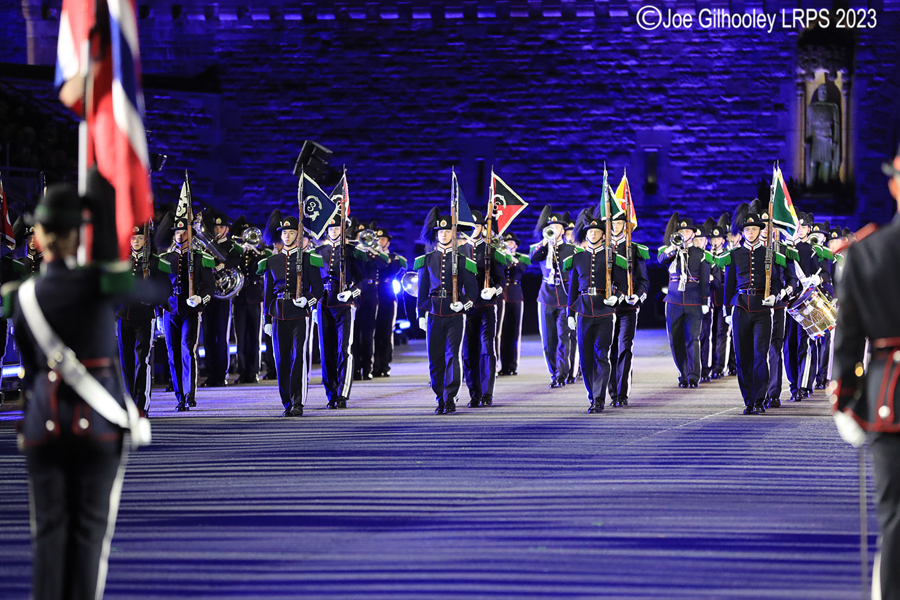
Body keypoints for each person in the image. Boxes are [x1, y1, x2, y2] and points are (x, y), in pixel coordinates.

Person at [3, 182, 153, 600]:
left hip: (43, 425)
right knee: (88, 535)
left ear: (39, 236)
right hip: (96, 427)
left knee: (48, 533)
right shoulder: (102, 286)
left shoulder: (19, 296)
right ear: (79, 235)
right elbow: (151, 292)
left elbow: (33, 372)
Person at [831, 149, 900, 600]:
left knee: (896, 516)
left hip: (890, 401)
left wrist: (847, 402)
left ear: (894, 186)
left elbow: (848, 340)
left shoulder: (868, 252)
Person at [722, 210, 787, 414]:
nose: (751, 232)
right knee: (743, 357)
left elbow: (776, 280)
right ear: (743, 232)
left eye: (754, 229)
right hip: (741, 306)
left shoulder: (769, 253)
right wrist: (726, 311)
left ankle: (760, 399)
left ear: (760, 230)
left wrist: (774, 295)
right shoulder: (734, 254)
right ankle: (748, 400)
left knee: (761, 355)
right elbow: (729, 285)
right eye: (747, 229)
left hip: (762, 308)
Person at [259, 215, 323, 416]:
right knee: (281, 360)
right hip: (278, 313)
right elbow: (268, 293)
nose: (287, 236)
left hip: (299, 313)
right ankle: (286, 400)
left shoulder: (307, 259)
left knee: (299, 359)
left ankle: (298, 401)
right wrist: (267, 319)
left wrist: (308, 300)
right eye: (284, 233)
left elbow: (318, 289)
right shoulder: (272, 261)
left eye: (291, 233)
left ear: (298, 235)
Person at [414, 208, 477, 414]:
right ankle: (439, 395)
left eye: (448, 231)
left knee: (452, 356)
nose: (443, 234)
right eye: (440, 232)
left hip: (454, 312)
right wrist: (420, 313)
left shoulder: (461, 259)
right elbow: (422, 289)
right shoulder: (427, 259)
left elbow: (473, 290)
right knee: (435, 357)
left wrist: (465, 304)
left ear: (453, 233)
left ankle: (450, 397)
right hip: (433, 311)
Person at [158, 216, 216, 411]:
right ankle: (179, 395)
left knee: (187, 350)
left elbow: (209, 287)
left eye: (184, 232)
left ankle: (190, 393)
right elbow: (159, 288)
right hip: (169, 309)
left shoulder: (201, 258)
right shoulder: (165, 259)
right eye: (177, 232)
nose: (180, 235)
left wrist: (201, 298)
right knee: (172, 353)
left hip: (190, 310)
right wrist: (159, 312)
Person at [564, 210, 618, 414]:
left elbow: (621, 283)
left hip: (604, 310)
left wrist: (618, 296)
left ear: (603, 235)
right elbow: (572, 289)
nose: (593, 234)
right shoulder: (577, 258)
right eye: (590, 231)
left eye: (597, 231)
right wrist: (570, 313)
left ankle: (599, 398)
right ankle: (591, 393)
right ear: (585, 235)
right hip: (584, 310)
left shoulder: (611, 256)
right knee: (585, 360)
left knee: (601, 356)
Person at [316, 212, 369, 409]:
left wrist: (352, 293)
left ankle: (342, 393)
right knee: (326, 350)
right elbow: (313, 280)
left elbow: (363, 280)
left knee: (344, 349)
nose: (334, 231)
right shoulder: (318, 251)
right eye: (331, 229)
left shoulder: (352, 251)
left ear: (343, 229)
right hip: (323, 303)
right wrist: (313, 303)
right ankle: (330, 392)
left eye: (337, 228)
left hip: (344, 303)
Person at [116, 225, 168, 417]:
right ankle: (128, 403)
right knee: (125, 362)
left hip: (145, 317)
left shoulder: (154, 262)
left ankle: (141, 404)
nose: (135, 242)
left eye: (139, 239)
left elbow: (166, 290)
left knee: (142, 361)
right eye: (132, 239)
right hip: (124, 316)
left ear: (145, 240)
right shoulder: (122, 261)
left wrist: (152, 300)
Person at [659, 215, 711, 388]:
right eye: (681, 231)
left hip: (693, 300)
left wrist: (705, 301)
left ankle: (694, 375)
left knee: (693, 339)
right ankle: (683, 373)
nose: (684, 233)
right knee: (676, 339)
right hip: (673, 300)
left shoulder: (700, 254)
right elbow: (661, 260)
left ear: (693, 234)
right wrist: (674, 247)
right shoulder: (670, 251)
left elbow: (704, 279)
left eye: (687, 231)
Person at [461, 210, 507, 408]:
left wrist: (494, 290)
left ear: (482, 228)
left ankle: (487, 393)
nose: (473, 230)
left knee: (487, 348)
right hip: (466, 307)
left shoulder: (490, 250)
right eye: (469, 227)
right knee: (468, 351)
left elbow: (501, 279)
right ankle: (474, 393)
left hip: (486, 304)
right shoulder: (459, 252)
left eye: (476, 226)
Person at [530, 206, 577, 388]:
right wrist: (545, 241)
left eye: (557, 227)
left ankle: (561, 374)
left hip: (565, 297)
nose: (554, 230)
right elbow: (534, 256)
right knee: (548, 340)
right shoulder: (540, 248)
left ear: (563, 230)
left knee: (563, 337)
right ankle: (553, 371)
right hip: (546, 297)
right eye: (551, 227)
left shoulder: (572, 250)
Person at [607, 211, 649, 407]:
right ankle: (611, 392)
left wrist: (638, 296)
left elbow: (643, 281)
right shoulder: (603, 248)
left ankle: (622, 394)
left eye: (620, 223)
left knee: (625, 348)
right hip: (606, 308)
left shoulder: (633, 249)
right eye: (613, 222)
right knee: (608, 350)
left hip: (627, 308)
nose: (616, 226)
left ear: (626, 225)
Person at [200, 211, 243, 387]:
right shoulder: (205, 246)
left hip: (223, 296)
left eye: (221, 227)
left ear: (226, 229)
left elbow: (236, 259)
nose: (218, 230)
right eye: (215, 227)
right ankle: (211, 373)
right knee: (208, 335)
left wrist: (223, 264)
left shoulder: (232, 246)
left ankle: (221, 373)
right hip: (207, 295)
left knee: (221, 334)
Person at [231, 217, 269, 384]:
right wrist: (240, 251)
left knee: (254, 337)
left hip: (254, 297)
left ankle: (253, 371)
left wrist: (255, 251)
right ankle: (242, 370)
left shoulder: (260, 253)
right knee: (240, 337)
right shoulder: (236, 252)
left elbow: (263, 266)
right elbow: (229, 264)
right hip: (239, 297)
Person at [372, 225, 407, 378]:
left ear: (388, 242)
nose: (380, 242)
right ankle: (373, 364)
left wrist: (378, 255)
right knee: (371, 332)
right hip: (372, 294)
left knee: (386, 332)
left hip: (386, 295)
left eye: (383, 239)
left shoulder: (394, 258)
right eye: (378, 239)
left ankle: (384, 364)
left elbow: (390, 269)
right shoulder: (370, 255)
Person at [498, 232, 530, 376]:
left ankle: (512, 365)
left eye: (510, 242)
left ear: (516, 245)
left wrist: (510, 258)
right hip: (501, 295)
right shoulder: (499, 258)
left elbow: (521, 269)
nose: (508, 245)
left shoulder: (521, 258)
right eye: (506, 242)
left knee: (513, 332)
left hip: (515, 295)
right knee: (501, 332)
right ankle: (501, 365)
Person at [707, 218, 731, 379]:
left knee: (723, 332)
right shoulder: (706, 255)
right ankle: (710, 364)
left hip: (723, 298)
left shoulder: (728, 255)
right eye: (713, 239)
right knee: (710, 332)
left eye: (718, 239)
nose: (716, 242)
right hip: (709, 298)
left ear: (723, 240)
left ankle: (720, 366)